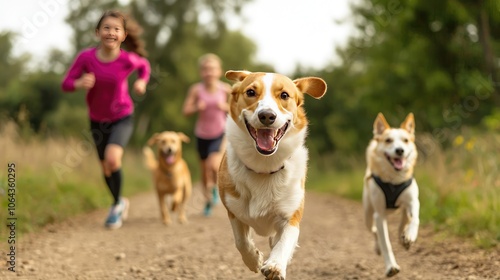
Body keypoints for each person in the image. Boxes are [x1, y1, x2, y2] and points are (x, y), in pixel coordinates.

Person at [61, 10, 150, 229]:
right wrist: (79, 83)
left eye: (116, 29)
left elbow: (144, 67)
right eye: (106, 28)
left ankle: (116, 205)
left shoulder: (127, 59)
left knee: (112, 159)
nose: (111, 32)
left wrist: (142, 83)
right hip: (97, 119)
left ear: (124, 35)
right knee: (106, 167)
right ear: (98, 32)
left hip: (122, 116)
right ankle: (119, 201)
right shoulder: (86, 58)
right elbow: (66, 83)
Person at [182, 53, 231, 216]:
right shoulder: (196, 90)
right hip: (202, 134)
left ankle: (216, 189)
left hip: (220, 132)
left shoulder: (225, 89)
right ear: (201, 72)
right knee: (204, 171)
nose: (209, 72)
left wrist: (225, 107)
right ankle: (208, 199)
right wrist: (197, 107)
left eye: (212, 69)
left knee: (213, 165)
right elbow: (186, 110)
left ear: (219, 71)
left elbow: (238, 109)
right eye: (205, 69)